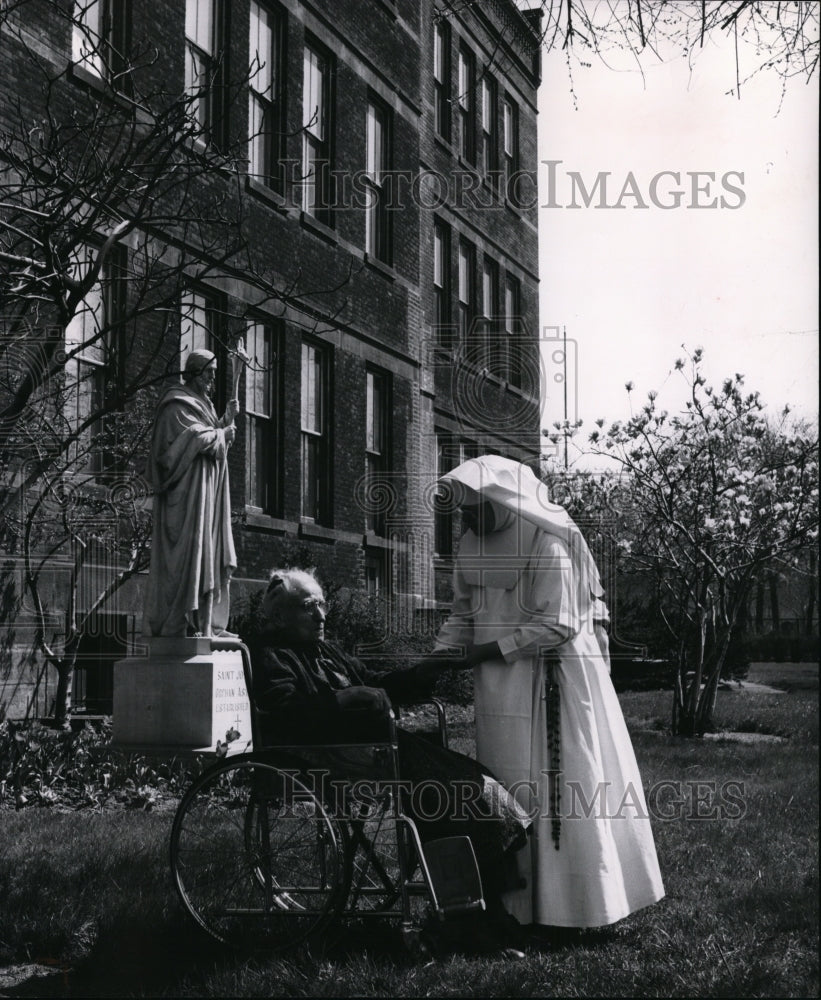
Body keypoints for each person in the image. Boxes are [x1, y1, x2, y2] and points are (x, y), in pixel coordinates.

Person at [430, 454, 665, 930]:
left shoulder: (545, 541)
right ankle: (518, 907)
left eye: (475, 508)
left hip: (552, 682)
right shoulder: (470, 546)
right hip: (497, 691)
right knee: (503, 790)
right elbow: (461, 615)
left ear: (504, 499)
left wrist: (484, 652)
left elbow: (556, 624)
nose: (468, 518)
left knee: (561, 790)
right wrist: (435, 659)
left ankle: (576, 907)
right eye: (463, 512)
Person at [247, 567, 532, 956]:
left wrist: (421, 673)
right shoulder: (271, 656)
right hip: (334, 760)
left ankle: (486, 912)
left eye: (322, 605)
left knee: (475, 782)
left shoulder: (326, 652)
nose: (321, 615)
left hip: (378, 752)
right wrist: (348, 699)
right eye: (308, 607)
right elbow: (286, 715)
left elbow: (377, 684)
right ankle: (465, 923)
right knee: (449, 797)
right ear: (279, 616)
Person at [144, 346, 247, 638]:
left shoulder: (204, 405)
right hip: (186, 500)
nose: (213, 380)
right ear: (195, 373)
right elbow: (172, 455)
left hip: (207, 496)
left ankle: (206, 625)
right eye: (210, 374)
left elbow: (212, 443)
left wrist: (225, 422)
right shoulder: (175, 405)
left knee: (208, 557)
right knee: (192, 557)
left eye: (215, 374)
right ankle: (184, 624)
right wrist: (219, 434)